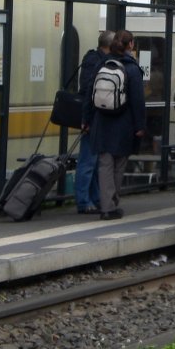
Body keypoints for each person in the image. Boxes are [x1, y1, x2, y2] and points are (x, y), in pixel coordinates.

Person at [85, 30, 146, 220]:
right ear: (130, 45)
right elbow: (137, 100)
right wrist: (140, 126)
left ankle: (107, 206)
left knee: (104, 165)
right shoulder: (132, 69)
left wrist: (86, 119)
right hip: (124, 124)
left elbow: (89, 93)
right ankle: (111, 204)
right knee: (119, 165)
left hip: (101, 122)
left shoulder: (100, 64)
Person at [75, 30, 113, 214]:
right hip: (92, 116)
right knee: (88, 161)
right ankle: (83, 201)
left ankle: (95, 197)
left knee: (95, 160)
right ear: (109, 45)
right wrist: (87, 118)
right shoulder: (94, 61)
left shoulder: (95, 59)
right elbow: (90, 91)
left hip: (97, 116)